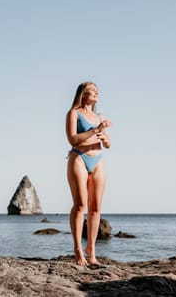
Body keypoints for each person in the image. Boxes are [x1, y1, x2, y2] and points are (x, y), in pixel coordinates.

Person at [65, 81, 111, 266]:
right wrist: (95, 130)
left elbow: (108, 144)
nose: (96, 92)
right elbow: (73, 139)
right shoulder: (73, 113)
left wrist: (105, 138)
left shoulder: (99, 115)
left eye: (97, 90)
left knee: (95, 207)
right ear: (83, 94)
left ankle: (91, 251)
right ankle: (78, 250)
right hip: (79, 158)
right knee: (80, 204)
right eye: (92, 90)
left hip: (98, 160)